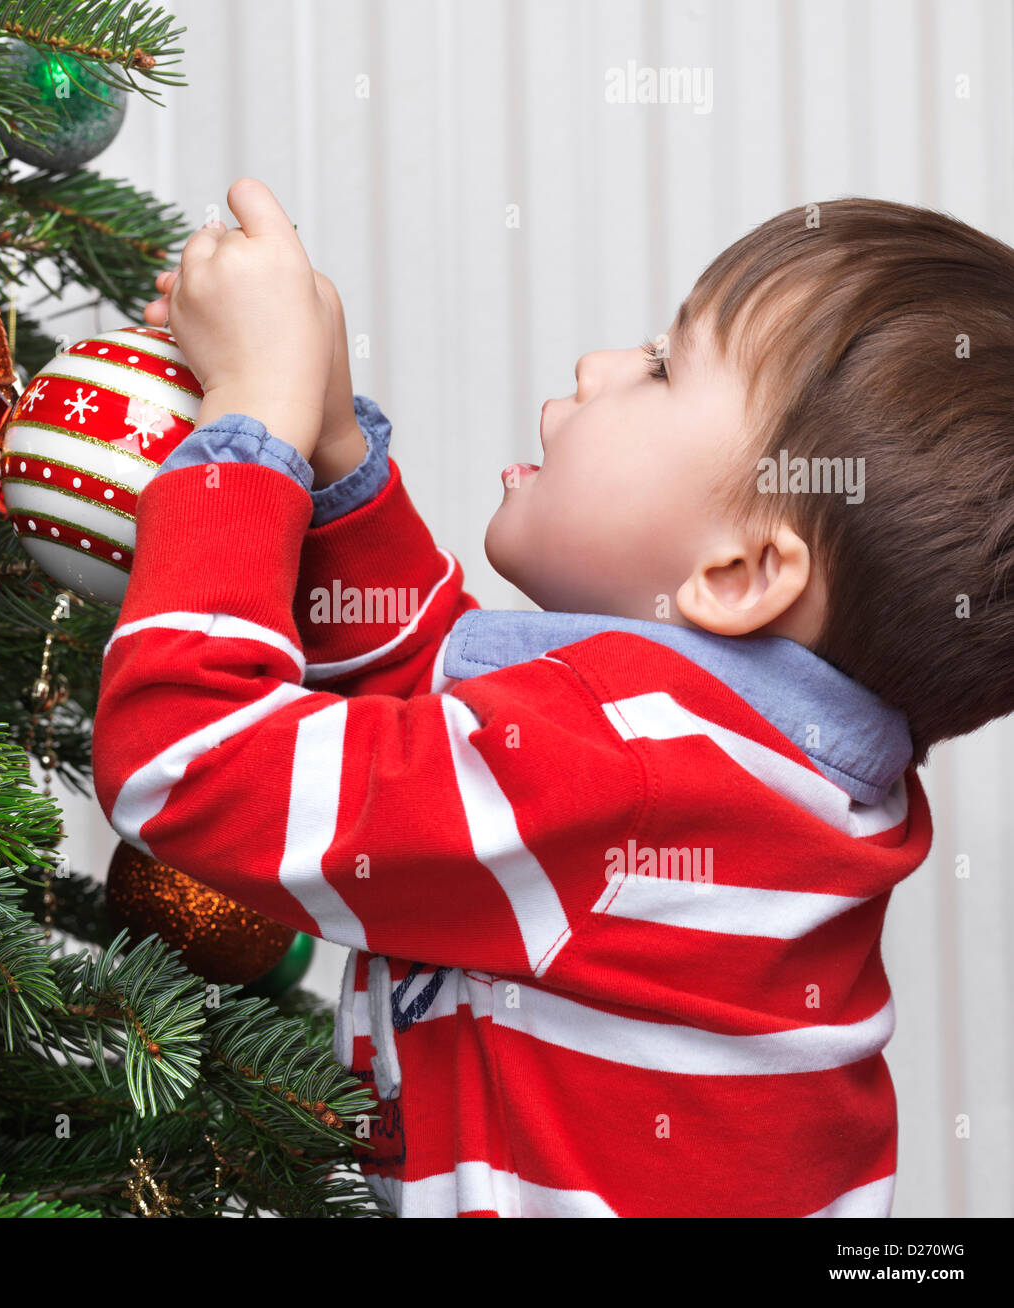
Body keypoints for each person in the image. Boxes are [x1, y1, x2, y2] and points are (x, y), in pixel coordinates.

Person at [93, 178, 1014, 1217]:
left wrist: (251, 419)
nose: (600, 366)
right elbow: (426, 736)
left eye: (663, 368)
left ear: (736, 575)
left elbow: (190, 767)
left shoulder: (632, 775)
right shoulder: (749, 766)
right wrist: (334, 450)